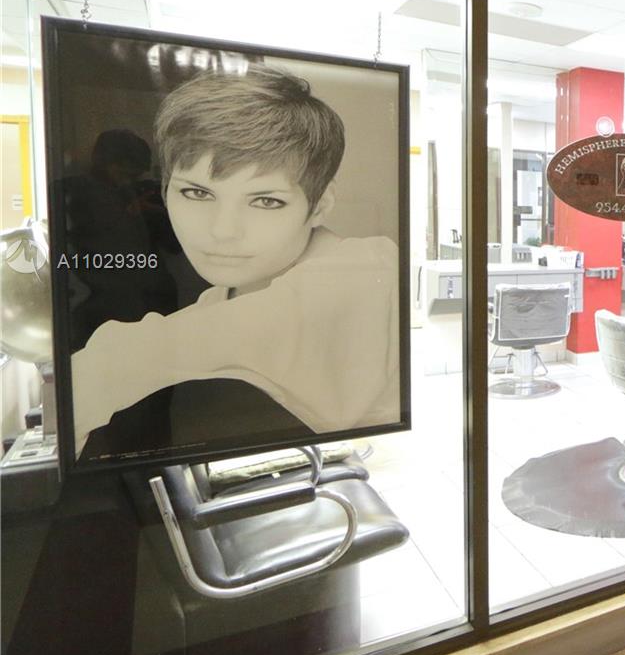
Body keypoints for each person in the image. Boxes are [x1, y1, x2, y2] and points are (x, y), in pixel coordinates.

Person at [70, 66, 400, 455]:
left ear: (320, 205)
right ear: (165, 190)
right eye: (197, 193)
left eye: (266, 200)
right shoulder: (225, 296)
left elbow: (123, 359)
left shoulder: (366, 270)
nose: (223, 230)